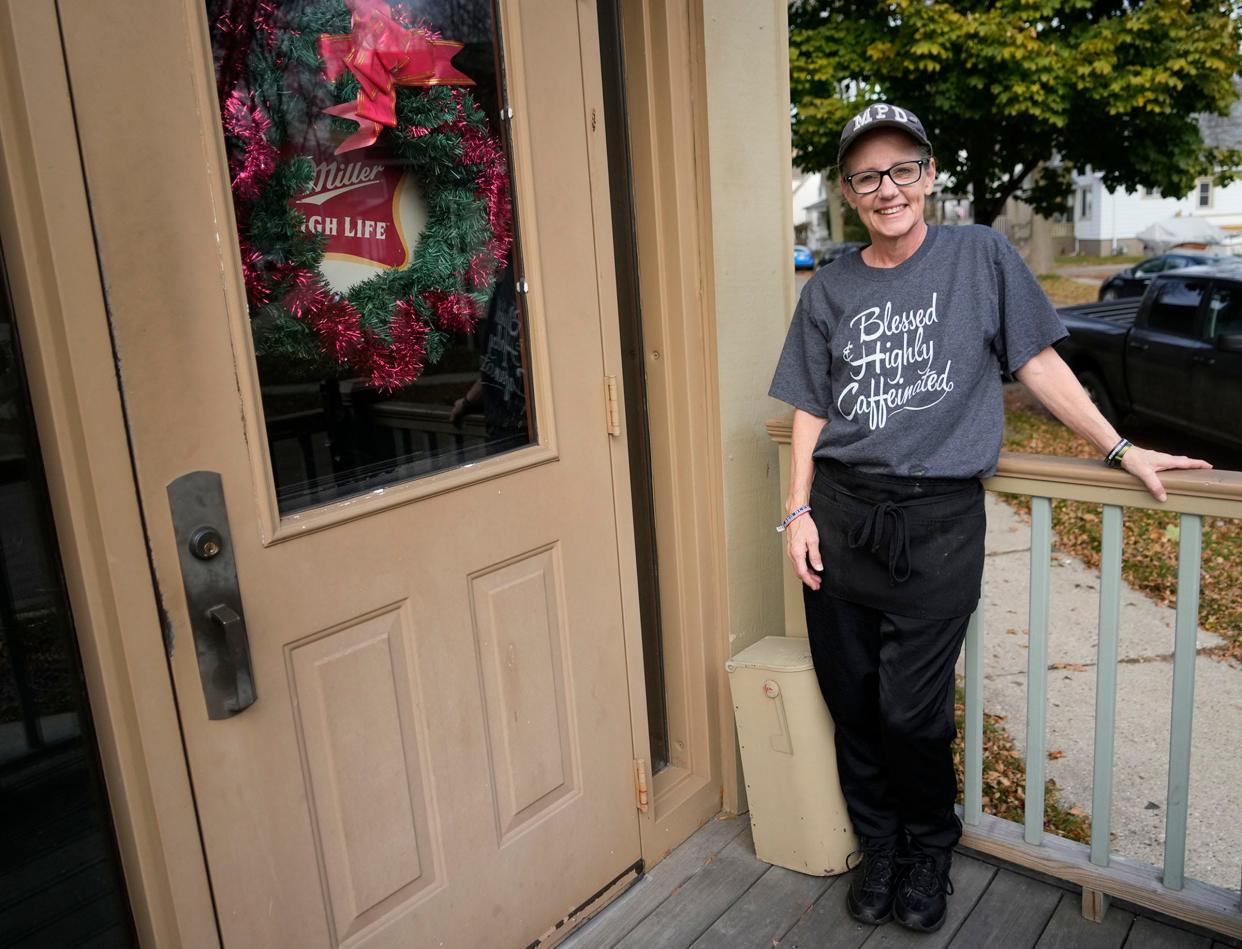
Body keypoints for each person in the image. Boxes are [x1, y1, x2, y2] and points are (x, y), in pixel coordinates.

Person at [767, 103, 1211, 933]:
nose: (887, 187)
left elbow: (1038, 364)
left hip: (937, 522)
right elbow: (809, 407)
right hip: (840, 512)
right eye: (868, 175)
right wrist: (796, 509)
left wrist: (1121, 449)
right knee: (852, 699)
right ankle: (883, 844)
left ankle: (930, 844)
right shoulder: (830, 285)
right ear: (849, 191)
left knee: (911, 709)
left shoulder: (980, 255)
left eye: (903, 169)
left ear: (929, 175)